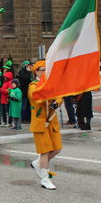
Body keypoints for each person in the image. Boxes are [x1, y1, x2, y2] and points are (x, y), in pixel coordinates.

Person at [29, 61, 62, 190]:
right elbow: (36, 96)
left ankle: (37, 163)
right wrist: (49, 93)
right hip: (41, 123)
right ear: (36, 71)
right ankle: (45, 178)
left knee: (57, 149)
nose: (45, 72)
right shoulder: (33, 85)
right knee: (45, 152)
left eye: (46, 69)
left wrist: (57, 103)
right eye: (42, 69)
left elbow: (59, 96)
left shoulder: (50, 83)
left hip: (52, 122)